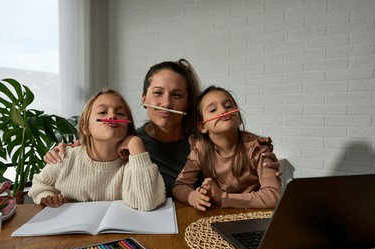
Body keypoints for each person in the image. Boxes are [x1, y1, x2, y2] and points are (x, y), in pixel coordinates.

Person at [44, 59, 281, 197]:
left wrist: (261, 160)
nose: (166, 103)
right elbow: (94, 152)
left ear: (188, 103)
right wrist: (68, 150)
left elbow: (240, 147)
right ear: (144, 97)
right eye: (157, 93)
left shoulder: (205, 138)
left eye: (177, 95)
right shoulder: (126, 141)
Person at [28, 88, 166, 211]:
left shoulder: (133, 165)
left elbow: (148, 202)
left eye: (120, 113)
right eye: (102, 112)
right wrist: (46, 196)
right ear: (84, 127)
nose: (112, 116)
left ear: (127, 126)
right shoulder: (65, 157)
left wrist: (135, 144)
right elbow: (40, 185)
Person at [172, 86, 281, 210]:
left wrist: (223, 198)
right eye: (213, 109)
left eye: (228, 106)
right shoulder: (199, 149)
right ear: (202, 127)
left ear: (238, 116)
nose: (223, 110)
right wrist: (195, 197)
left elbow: (274, 196)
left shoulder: (257, 147)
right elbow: (180, 185)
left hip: (254, 215)